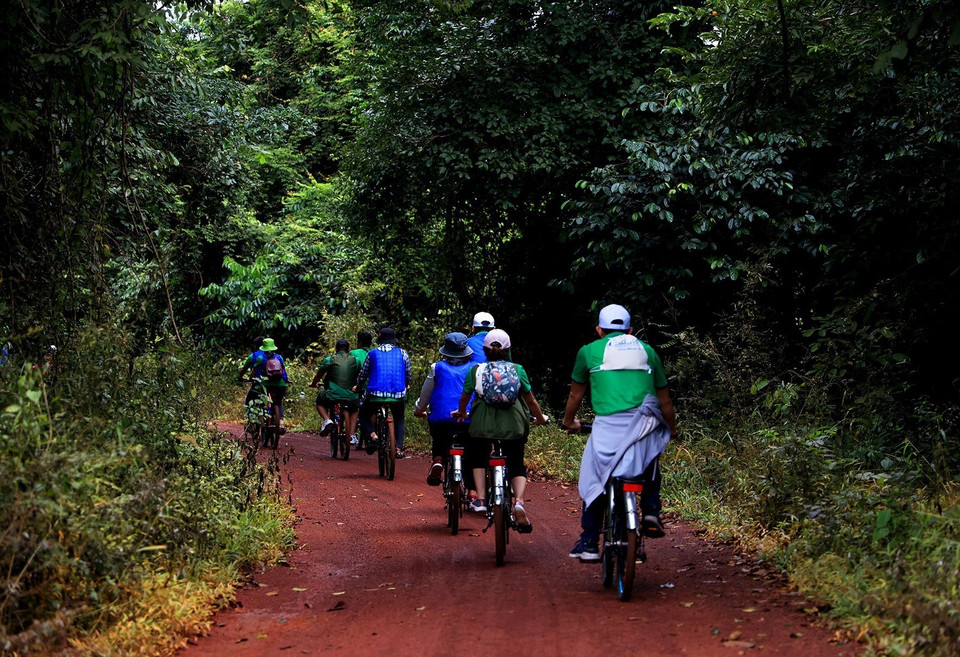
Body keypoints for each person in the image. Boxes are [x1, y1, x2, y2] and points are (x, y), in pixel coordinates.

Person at [562, 304, 678, 562]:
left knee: (595, 476)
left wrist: (569, 421)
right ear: (631, 330)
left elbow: (575, 394)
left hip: (607, 427)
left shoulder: (589, 351)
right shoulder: (648, 351)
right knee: (650, 457)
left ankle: (590, 542)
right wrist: (671, 428)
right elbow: (665, 400)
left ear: (599, 330)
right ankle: (650, 512)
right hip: (644, 422)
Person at [452, 329, 548, 526]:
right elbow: (531, 401)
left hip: (482, 424)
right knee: (516, 460)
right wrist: (539, 418)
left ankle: (479, 498)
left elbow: (465, 397)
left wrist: (462, 411)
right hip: (512, 425)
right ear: (508, 349)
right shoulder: (517, 370)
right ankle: (519, 502)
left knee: (478, 454)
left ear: (485, 350)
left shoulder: (475, 370)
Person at [414, 333, 474, 486]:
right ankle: (472, 488)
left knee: (439, 438)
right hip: (467, 417)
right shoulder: (475, 369)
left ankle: (438, 459)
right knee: (470, 449)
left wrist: (420, 409)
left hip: (441, 417)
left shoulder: (437, 368)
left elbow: (425, 395)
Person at [355, 327, 411, 458]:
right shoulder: (403, 353)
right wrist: (406, 384)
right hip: (398, 394)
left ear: (379, 340)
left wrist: (358, 386)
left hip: (375, 394)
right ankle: (398, 448)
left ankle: (372, 435)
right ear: (393, 340)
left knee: (363, 414)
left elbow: (363, 374)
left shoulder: (373, 354)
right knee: (399, 418)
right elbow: (408, 374)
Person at [310, 339, 362, 444]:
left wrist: (313, 383)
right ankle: (352, 434)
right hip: (351, 395)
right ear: (349, 349)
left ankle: (327, 420)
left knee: (320, 399)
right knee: (355, 408)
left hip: (332, 395)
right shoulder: (356, 361)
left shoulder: (329, 360)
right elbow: (358, 377)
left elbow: (319, 375)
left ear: (335, 349)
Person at [237, 337, 289, 435]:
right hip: (280, 384)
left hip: (262, 385)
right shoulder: (279, 357)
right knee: (278, 401)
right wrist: (286, 380)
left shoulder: (257, 357)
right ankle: (281, 422)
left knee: (251, 399)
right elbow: (284, 371)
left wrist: (249, 379)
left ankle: (252, 422)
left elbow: (253, 371)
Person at [351, 331, 374, 447]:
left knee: (355, 408)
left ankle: (352, 433)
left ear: (359, 342)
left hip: (360, 387)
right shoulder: (374, 353)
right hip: (374, 387)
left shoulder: (353, 353)